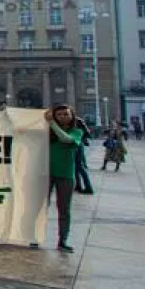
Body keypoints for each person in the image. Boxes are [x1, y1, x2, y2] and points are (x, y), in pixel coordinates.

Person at [47, 104, 83, 252]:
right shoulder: (46, 132)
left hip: (66, 175)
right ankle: (34, 236)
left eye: (66, 114)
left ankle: (63, 240)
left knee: (64, 210)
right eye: (59, 114)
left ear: (72, 116)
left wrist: (51, 123)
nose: (63, 117)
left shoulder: (76, 131)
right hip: (46, 173)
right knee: (40, 208)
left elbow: (66, 139)